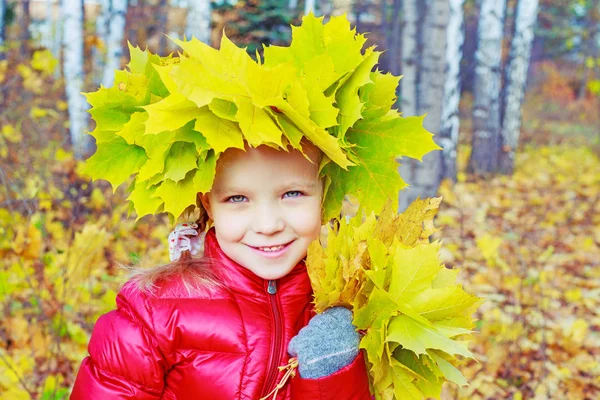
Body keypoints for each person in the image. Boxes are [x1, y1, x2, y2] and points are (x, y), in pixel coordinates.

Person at [71, 140, 373, 399]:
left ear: (325, 195)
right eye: (237, 198)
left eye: (292, 193)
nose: (268, 225)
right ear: (209, 205)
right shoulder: (153, 315)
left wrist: (332, 375)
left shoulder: (351, 309)